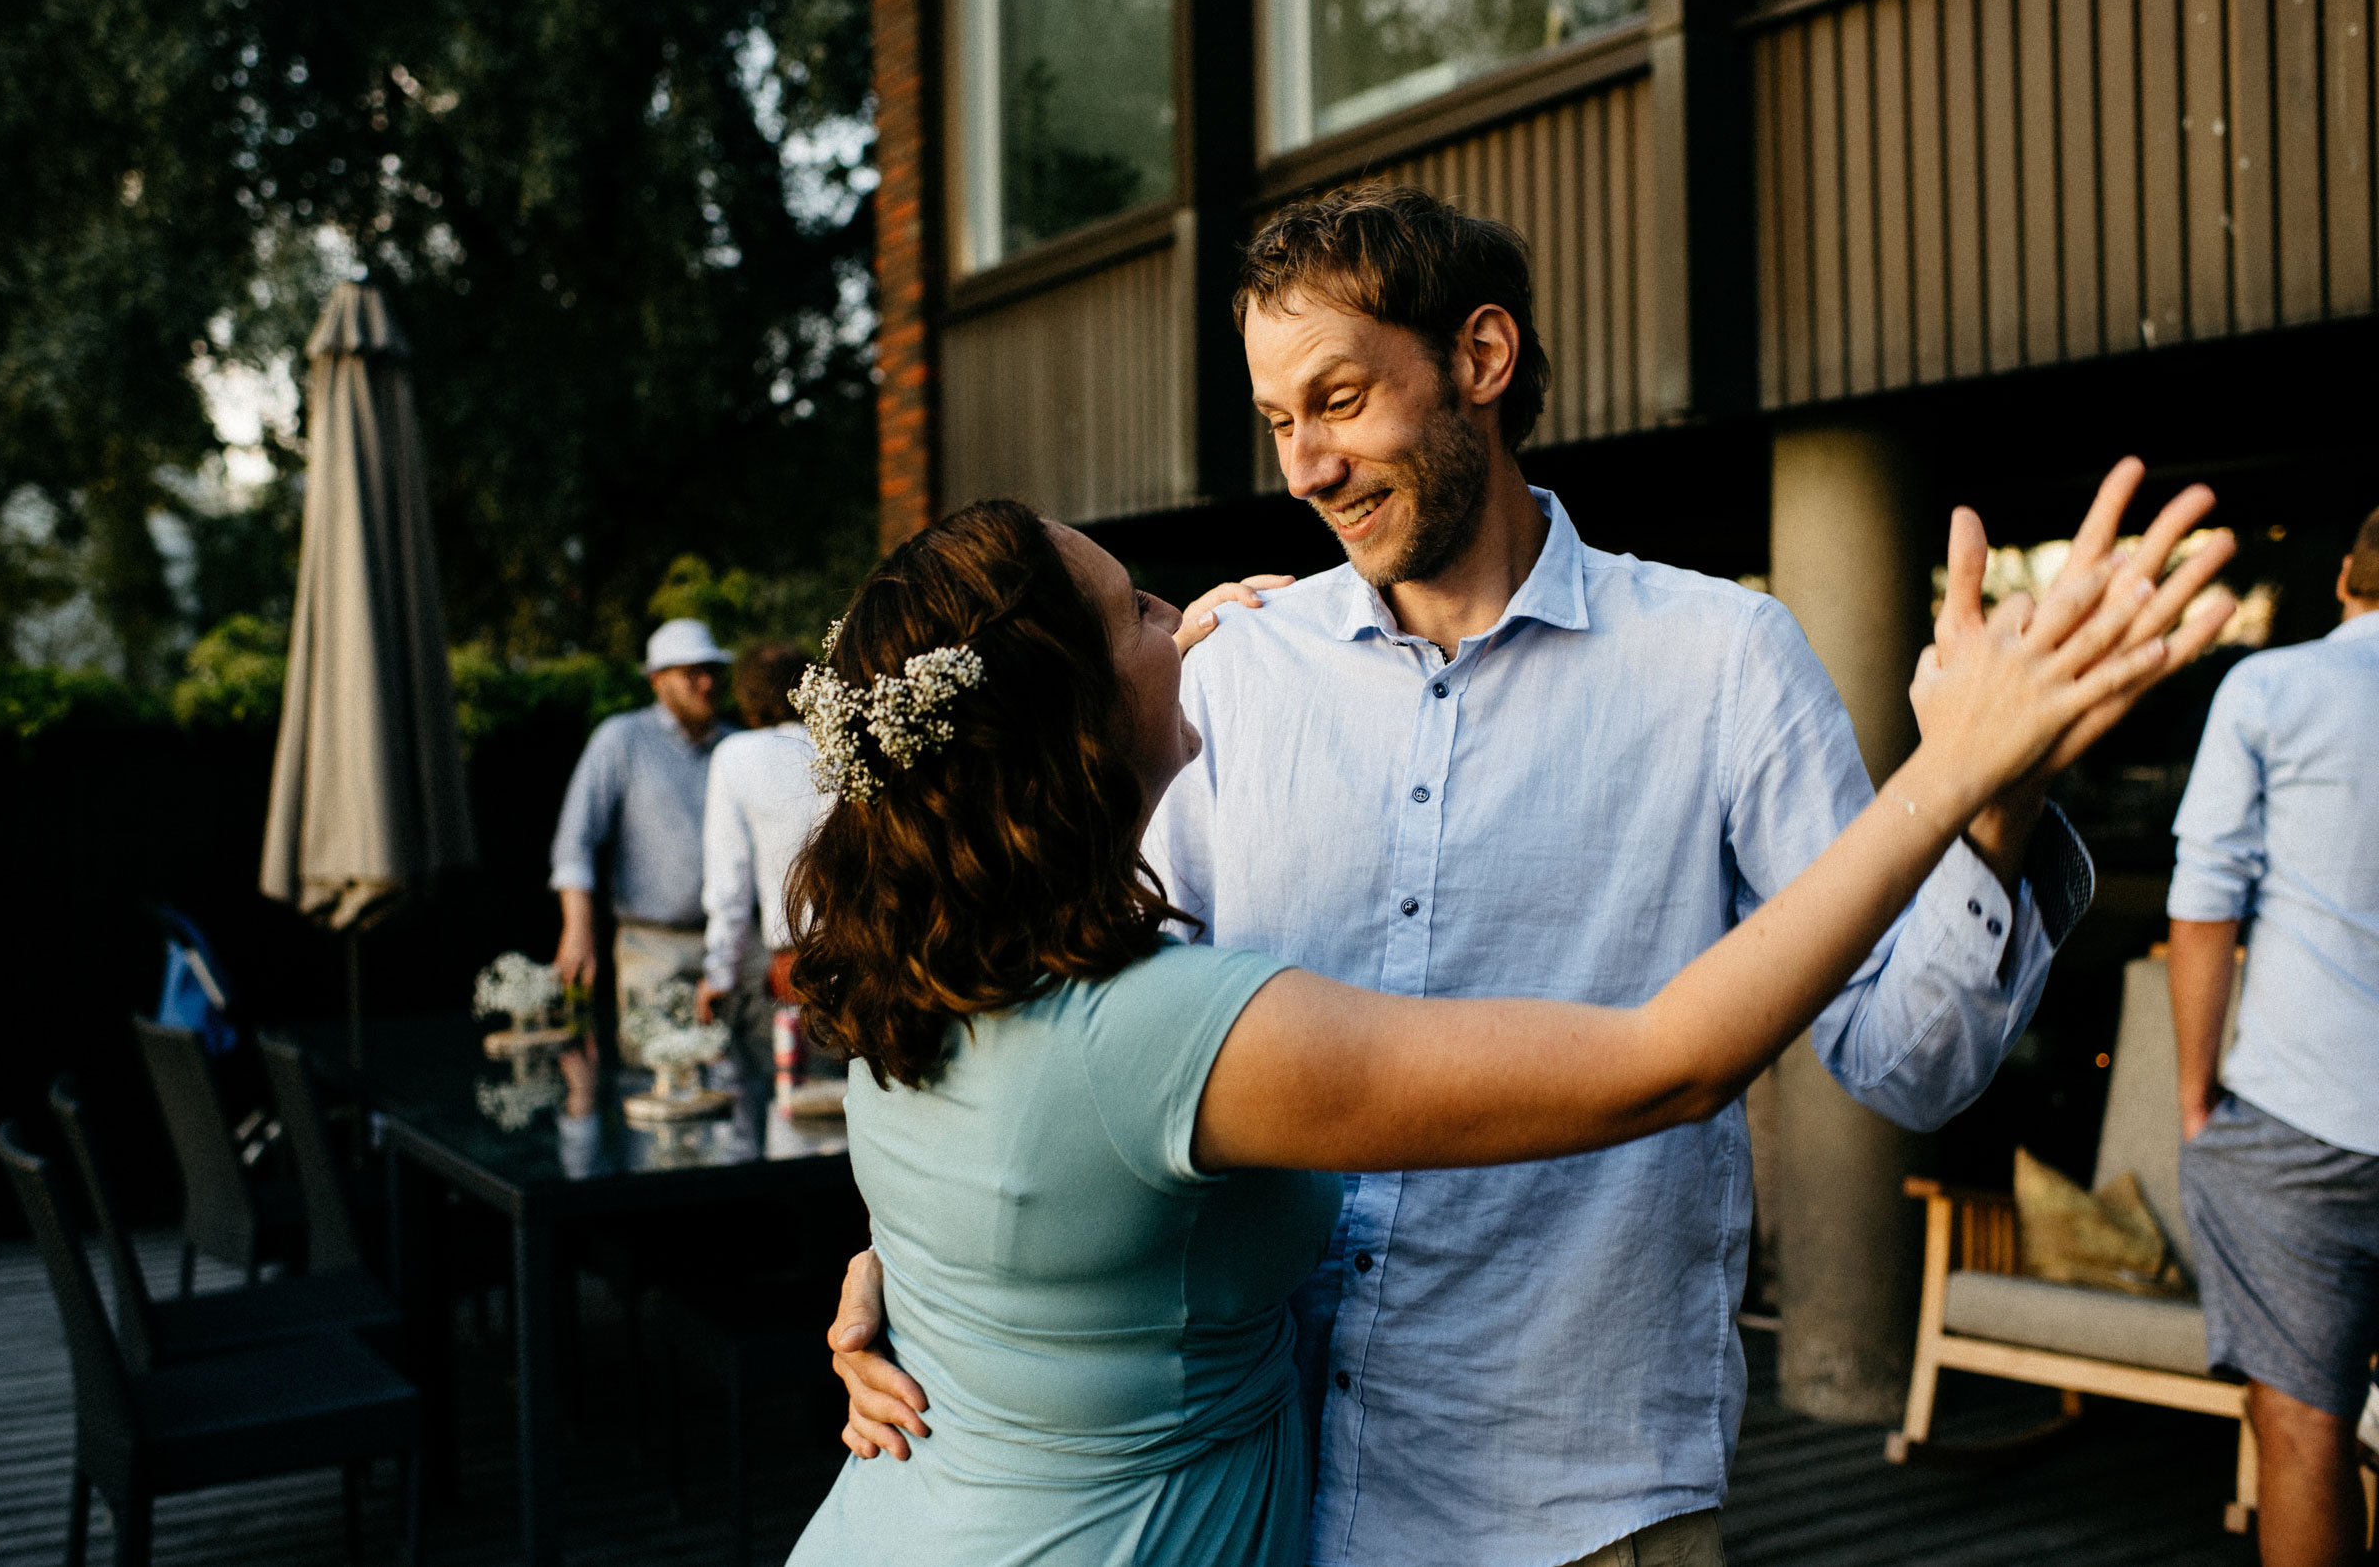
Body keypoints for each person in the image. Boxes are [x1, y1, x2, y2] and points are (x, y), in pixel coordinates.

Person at [830, 185, 2240, 1565]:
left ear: (1481, 360)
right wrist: (934, 1272)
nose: (1304, 466)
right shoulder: (1231, 681)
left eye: (1336, 400)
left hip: (1575, 1500)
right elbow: (1051, 1019)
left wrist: (1997, 791)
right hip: (1270, 1495)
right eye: (1277, 424)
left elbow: (1910, 1063)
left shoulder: (1721, 662)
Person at [2171, 504, 2379, 1567]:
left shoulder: (2271, 688)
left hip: (2300, 1121)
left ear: (2347, 575)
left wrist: (2197, 1096)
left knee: (2302, 1431)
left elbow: (2204, 906)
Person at [548, 617, 737, 1026]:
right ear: (657, 681)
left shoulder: (734, 746)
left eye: (713, 671)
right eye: (692, 674)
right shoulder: (621, 740)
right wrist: (578, 929)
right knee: (656, 1078)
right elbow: (574, 841)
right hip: (651, 948)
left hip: (734, 946)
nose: (707, 683)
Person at [696, 642, 821, 1032]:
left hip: (797, 967)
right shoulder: (848, 745)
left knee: (796, 1085)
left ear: (746, 698)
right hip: (877, 956)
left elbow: (728, 881)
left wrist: (719, 974)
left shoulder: (735, 756)